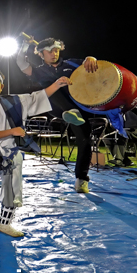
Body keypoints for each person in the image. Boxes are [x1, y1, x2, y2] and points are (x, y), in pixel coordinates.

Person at [0, 67, 71, 240]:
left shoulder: (13, 101)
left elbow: (36, 98)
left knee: (13, 189)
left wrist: (57, 85)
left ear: (2, 85)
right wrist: (13, 131)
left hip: (13, 152)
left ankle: (5, 224)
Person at [16, 36, 98, 193]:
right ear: (41, 54)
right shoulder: (38, 71)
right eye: (49, 51)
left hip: (77, 109)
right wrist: (24, 46)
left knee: (85, 139)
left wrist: (91, 58)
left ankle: (81, 179)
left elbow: (92, 65)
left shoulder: (71, 64)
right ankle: (68, 111)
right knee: (49, 87)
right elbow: (21, 63)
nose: (54, 54)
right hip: (55, 106)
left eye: (56, 50)